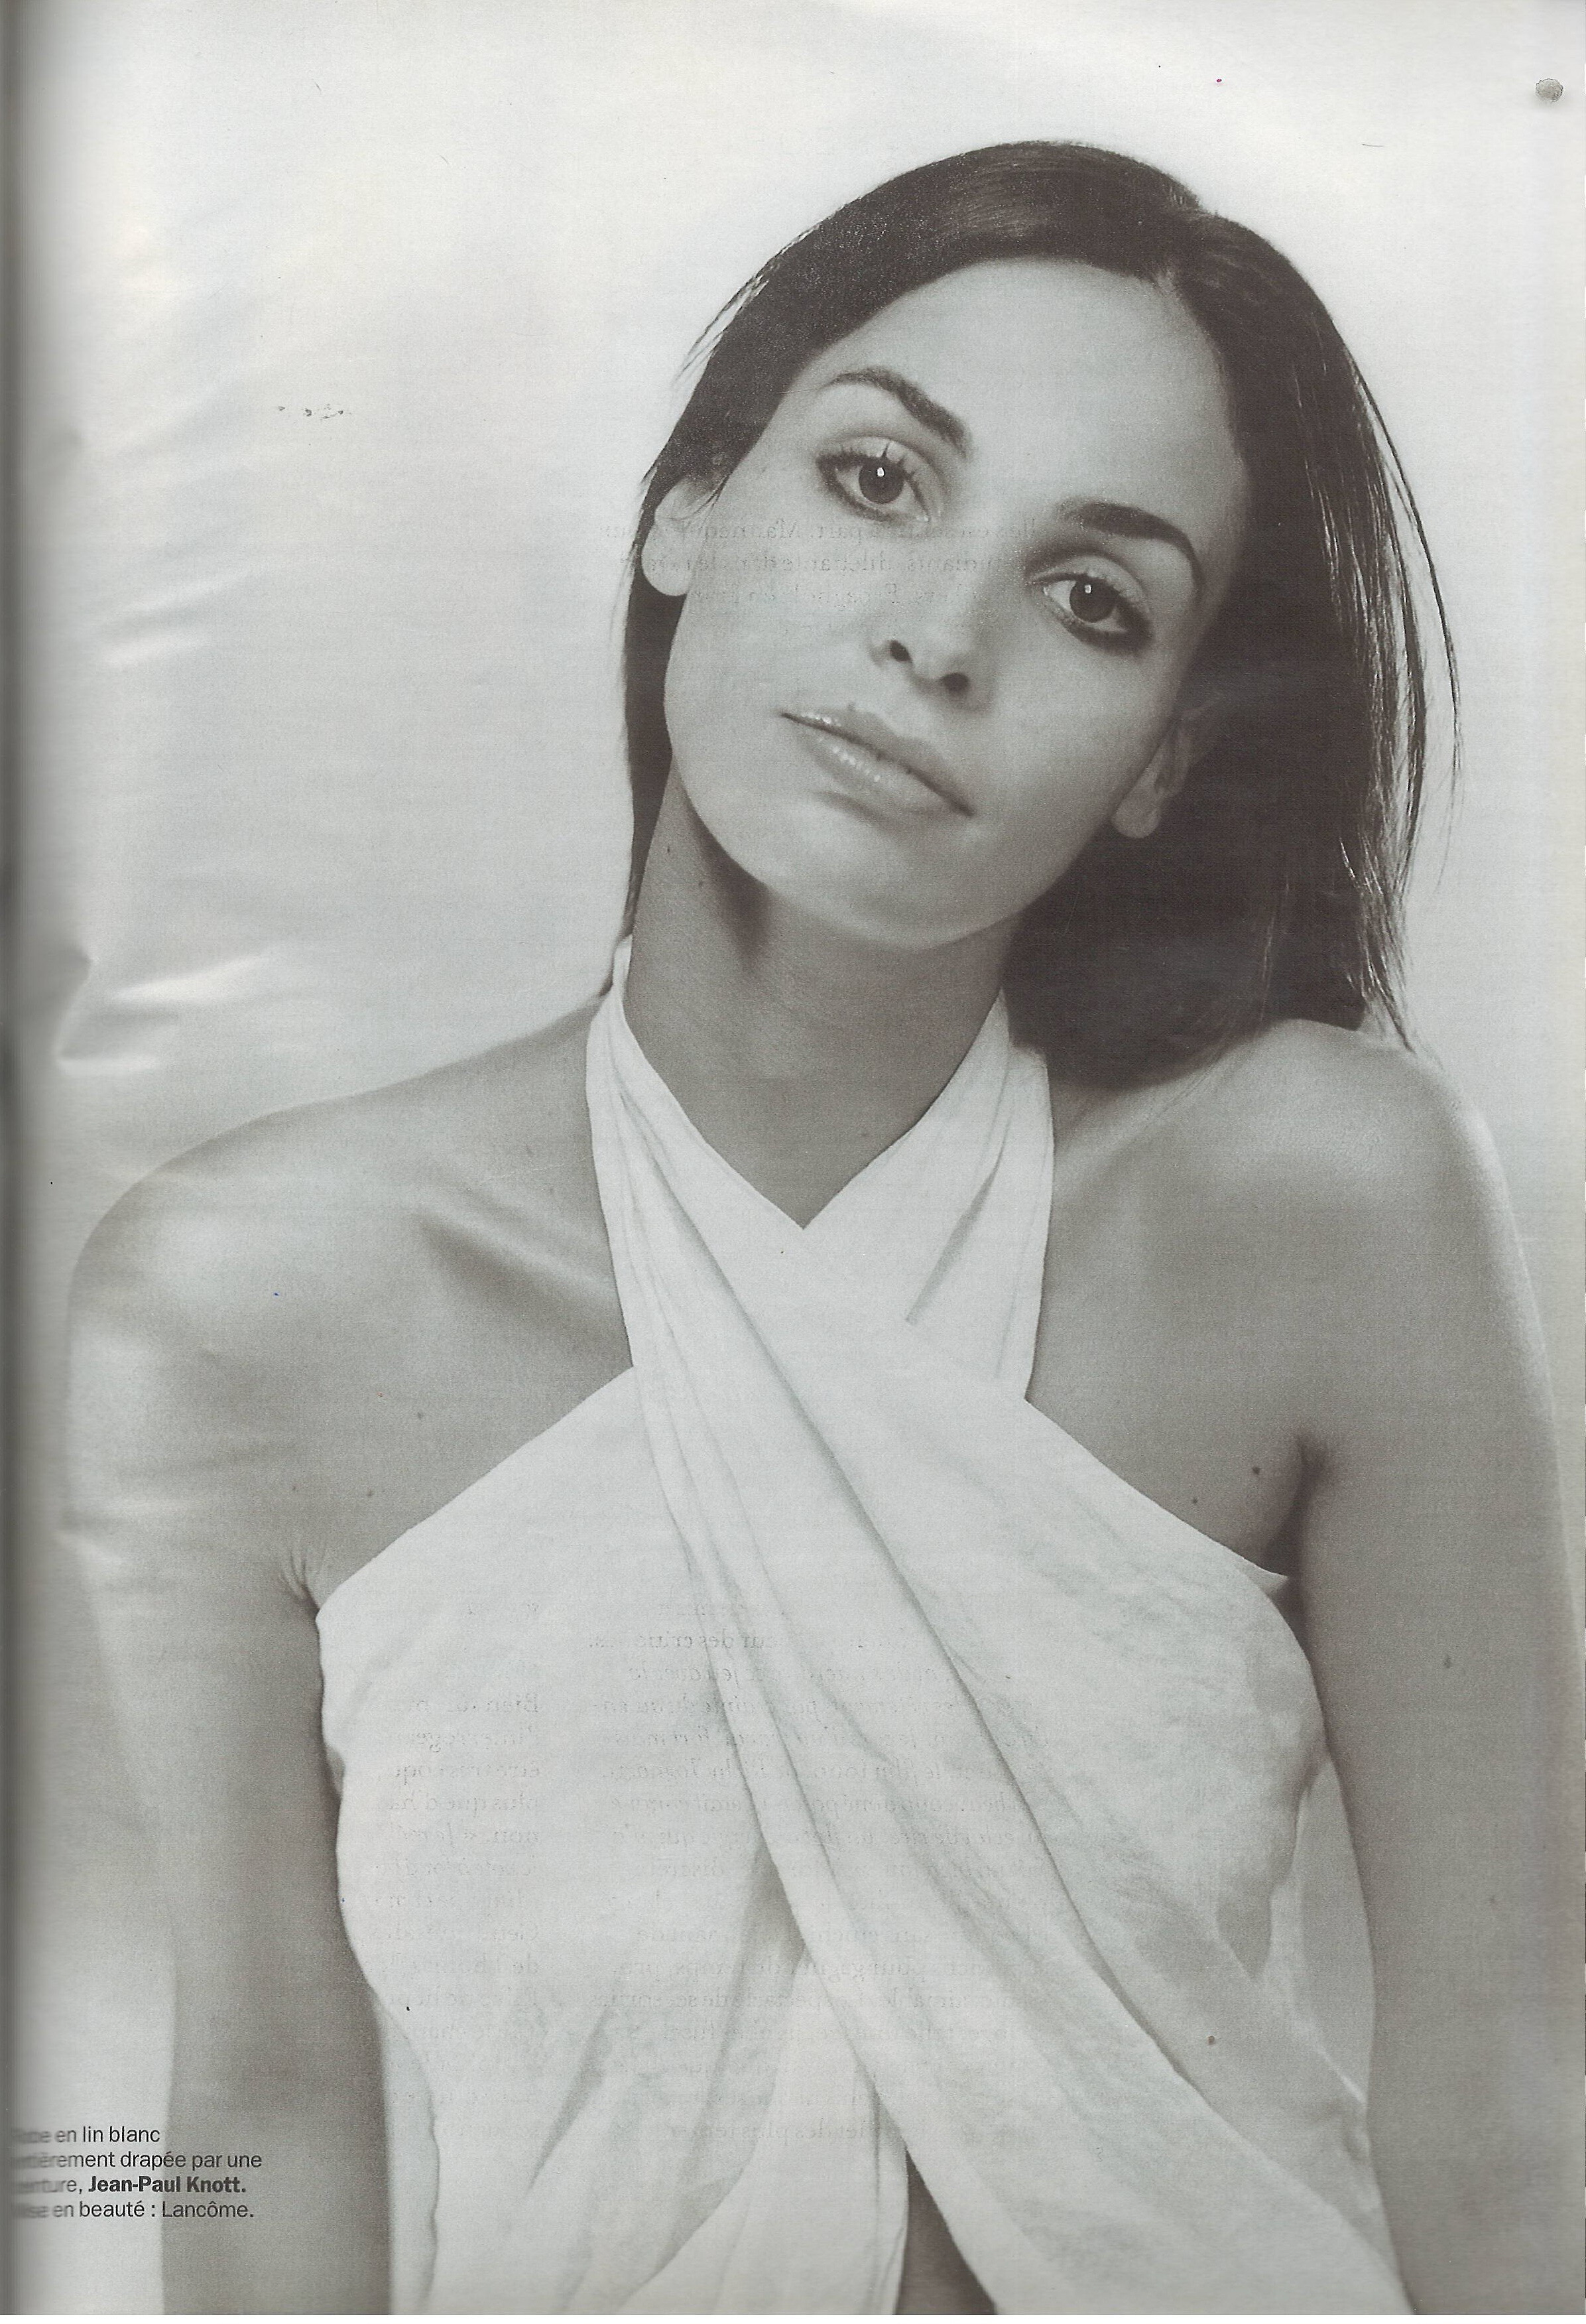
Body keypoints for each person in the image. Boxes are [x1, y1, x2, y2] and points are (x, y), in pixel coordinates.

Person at [70, 143, 1577, 2314]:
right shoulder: (243, 1299)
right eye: (881, 483)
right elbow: (266, 2113)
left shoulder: (1320, 1200)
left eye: (1094, 599)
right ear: (689, 507)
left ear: (1163, 760)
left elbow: (1506, 2084)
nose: (937, 640)